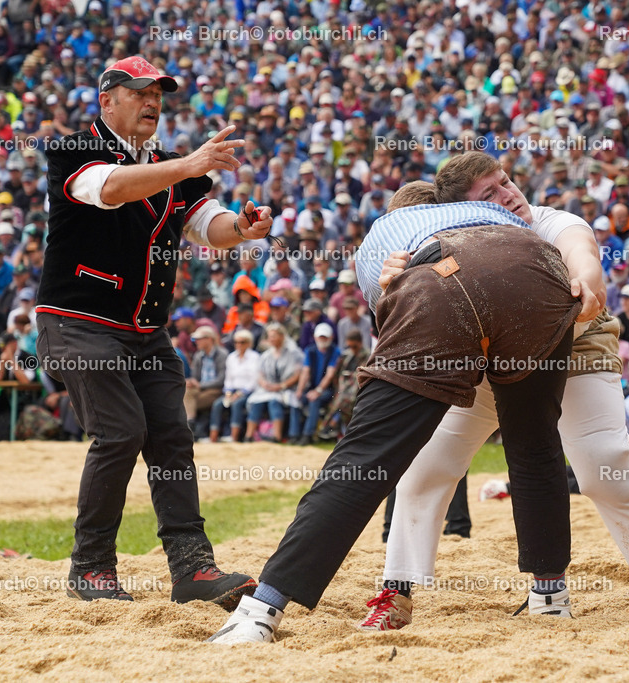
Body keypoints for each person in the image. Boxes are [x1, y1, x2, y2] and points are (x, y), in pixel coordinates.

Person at [210, 184, 585, 645]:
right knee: (535, 446)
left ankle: (261, 611)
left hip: (439, 288)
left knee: (363, 458)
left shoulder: (383, 232)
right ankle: (550, 596)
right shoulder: (488, 213)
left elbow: (393, 327)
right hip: (538, 274)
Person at [355, 155, 629, 634]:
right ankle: (396, 592)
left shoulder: (551, 221)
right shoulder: (443, 241)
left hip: (576, 344)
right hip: (491, 361)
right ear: (461, 211)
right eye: (489, 194)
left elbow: (582, 251)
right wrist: (395, 280)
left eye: (505, 181)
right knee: (424, 467)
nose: (508, 195)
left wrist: (587, 282)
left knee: (602, 464)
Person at [34, 56, 267, 606]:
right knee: (120, 432)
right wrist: (188, 164)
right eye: (140, 92)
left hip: (145, 330)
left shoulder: (170, 166)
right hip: (78, 321)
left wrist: (242, 227)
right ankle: (91, 567)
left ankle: (193, 569)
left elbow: (208, 225)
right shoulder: (75, 150)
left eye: (158, 94)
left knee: (171, 438)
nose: (152, 101)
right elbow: (111, 188)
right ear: (106, 101)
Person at [245, 324, 304, 442]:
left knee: (274, 402)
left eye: (274, 336)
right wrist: (264, 384)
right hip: (268, 388)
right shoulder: (266, 355)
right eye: (269, 336)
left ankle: (277, 436)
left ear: (282, 336)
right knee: (256, 402)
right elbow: (259, 374)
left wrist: (281, 386)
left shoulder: (293, 353)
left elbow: (297, 374)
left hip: (287, 388)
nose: (271, 339)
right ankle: (249, 435)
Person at [289, 322, 340, 445]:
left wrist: (318, 391)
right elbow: (305, 372)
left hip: (328, 390)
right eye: (320, 337)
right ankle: (294, 434)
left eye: (325, 337)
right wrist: (300, 390)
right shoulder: (310, 350)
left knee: (314, 400)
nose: (322, 340)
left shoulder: (335, 351)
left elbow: (330, 375)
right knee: (295, 400)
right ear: (315, 337)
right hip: (312, 388)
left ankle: (308, 435)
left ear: (331, 337)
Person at [209, 330, 259, 443]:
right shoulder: (231, 357)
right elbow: (228, 378)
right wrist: (228, 393)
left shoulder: (255, 357)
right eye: (236, 342)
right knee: (217, 404)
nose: (238, 345)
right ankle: (213, 437)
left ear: (249, 343)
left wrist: (240, 393)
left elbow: (254, 380)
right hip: (232, 391)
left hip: (249, 392)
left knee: (237, 404)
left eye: (242, 342)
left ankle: (234, 437)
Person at [184, 325, 228, 434]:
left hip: (217, 390)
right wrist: (191, 382)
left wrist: (200, 385)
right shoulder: (198, 356)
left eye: (198, 339)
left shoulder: (222, 354)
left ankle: (190, 426)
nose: (196, 342)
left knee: (187, 402)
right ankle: (190, 423)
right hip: (201, 389)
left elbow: (221, 380)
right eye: (195, 339)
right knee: (186, 391)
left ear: (209, 339)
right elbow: (195, 377)